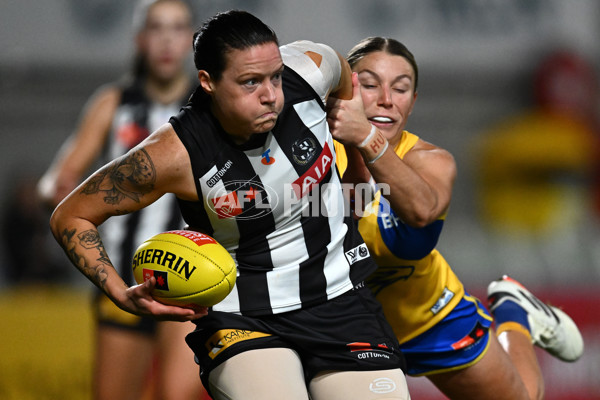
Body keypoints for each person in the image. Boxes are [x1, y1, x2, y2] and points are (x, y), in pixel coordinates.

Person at [49, 10, 410, 400]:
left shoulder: (310, 68)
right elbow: (72, 214)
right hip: (242, 315)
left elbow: (342, 71)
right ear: (208, 82)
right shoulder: (174, 153)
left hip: (340, 298)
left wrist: (357, 162)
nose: (271, 94)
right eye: (250, 82)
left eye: (274, 76)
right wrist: (118, 292)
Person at [326, 36, 584, 400]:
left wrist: (366, 139)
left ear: (412, 103)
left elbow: (419, 216)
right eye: (369, 85)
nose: (386, 98)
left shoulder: (432, 160)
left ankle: (515, 313)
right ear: (344, 93)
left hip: (427, 317)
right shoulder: (309, 155)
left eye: (401, 89)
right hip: (338, 324)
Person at [37, 1, 208, 399]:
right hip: (121, 281)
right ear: (140, 38)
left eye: (178, 28)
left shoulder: (209, 104)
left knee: (177, 395)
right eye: (157, 28)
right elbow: (58, 179)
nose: (167, 39)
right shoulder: (112, 104)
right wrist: (56, 192)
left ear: (192, 39)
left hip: (191, 278)